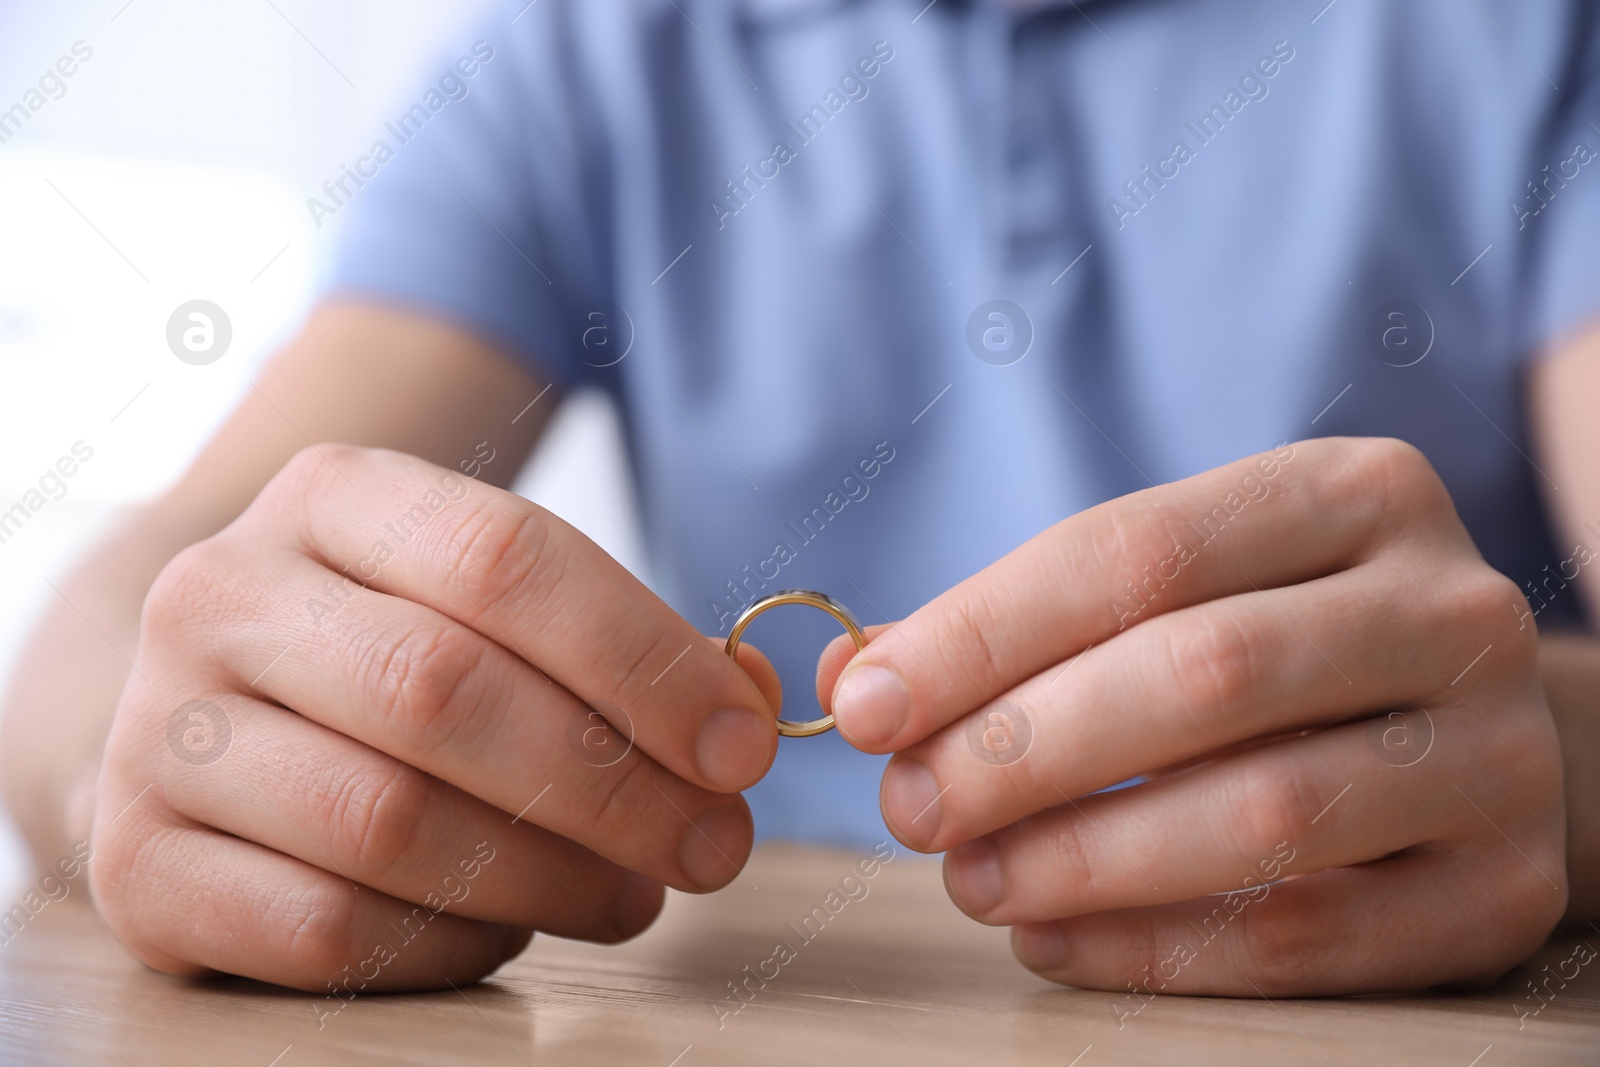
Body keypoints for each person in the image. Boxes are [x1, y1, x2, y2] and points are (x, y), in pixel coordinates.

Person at [4, 0, 1599, 998]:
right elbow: (136, 603)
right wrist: (163, 750)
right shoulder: (595, 50)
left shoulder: (1529, 38)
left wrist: (1549, 760)